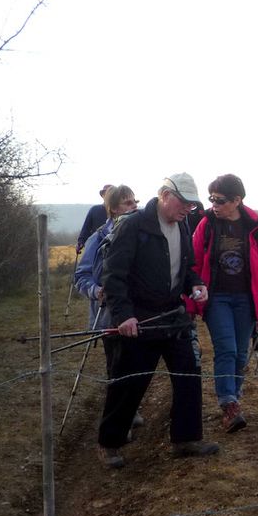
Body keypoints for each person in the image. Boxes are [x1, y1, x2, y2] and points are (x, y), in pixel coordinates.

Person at [96, 172, 219, 468]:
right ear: (165, 195)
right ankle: (110, 444)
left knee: (189, 374)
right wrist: (124, 316)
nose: (188, 209)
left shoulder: (184, 223)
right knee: (130, 381)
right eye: (184, 202)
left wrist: (195, 284)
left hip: (174, 315)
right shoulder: (134, 225)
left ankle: (186, 439)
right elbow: (114, 277)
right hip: (140, 318)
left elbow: (186, 266)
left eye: (192, 205)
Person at [191, 174, 258, 433]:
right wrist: (191, 300)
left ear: (237, 200)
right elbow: (193, 263)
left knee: (241, 353)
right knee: (226, 349)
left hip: (246, 300)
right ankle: (228, 402)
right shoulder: (206, 225)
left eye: (220, 200)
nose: (214, 205)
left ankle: (234, 398)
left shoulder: (255, 227)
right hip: (216, 299)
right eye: (212, 199)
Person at [74, 184, 138, 333]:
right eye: (128, 203)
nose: (134, 206)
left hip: (140, 316)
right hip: (109, 318)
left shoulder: (142, 235)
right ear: (114, 208)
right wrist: (97, 291)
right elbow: (81, 276)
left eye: (136, 202)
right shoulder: (97, 239)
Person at [76, 184, 111, 255]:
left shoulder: (119, 211)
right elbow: (86, 228)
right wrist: (81, 242)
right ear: (102, 196)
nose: (108, 196)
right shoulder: (94, 210)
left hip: (113, 248)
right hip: (96, 247)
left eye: (111, 194)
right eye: (105, 193)